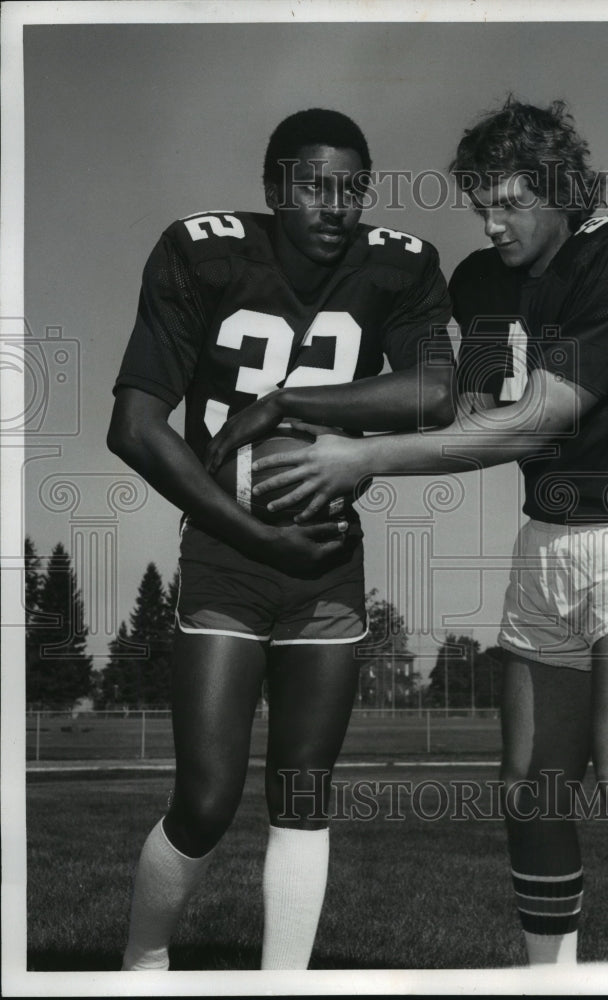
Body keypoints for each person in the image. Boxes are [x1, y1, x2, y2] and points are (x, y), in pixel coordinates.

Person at [233, 98, 608, 963]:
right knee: (529, 788)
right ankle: (548, 979)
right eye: (479, 204)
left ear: (561, 191)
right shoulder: (483, 282)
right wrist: (331, 425)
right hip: (547, 541)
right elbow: (478, 411)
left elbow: (537, 423)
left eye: (510, 203)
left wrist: (363, 459)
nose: (491, 224)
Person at [108, 107, 453, 971]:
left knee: (304, 790)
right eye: (312, 186)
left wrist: (293, 403)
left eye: (351, 189)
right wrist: (244, 531)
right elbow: (136, 425)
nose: (335, 206)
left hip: (326, 556)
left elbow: (437, 392)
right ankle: (143, 961)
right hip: (228, 550)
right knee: (208, 797)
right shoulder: (203, 250)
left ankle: (283, 985)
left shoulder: (399, 266)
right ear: (273, 188)